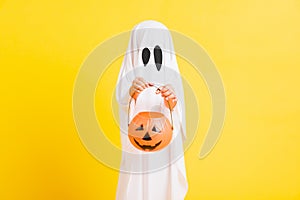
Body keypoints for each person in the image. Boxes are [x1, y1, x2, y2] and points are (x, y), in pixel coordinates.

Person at [116, 20, 188, 200]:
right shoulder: (128, 77)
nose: (151, 60)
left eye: (158, 52)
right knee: (136, 188)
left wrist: (173, 103)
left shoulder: (172, 78)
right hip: (138, 152)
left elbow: (178, 119)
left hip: (165, 152)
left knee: (163, 187)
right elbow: (123, 112)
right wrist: (130, 95)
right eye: (144, 52)